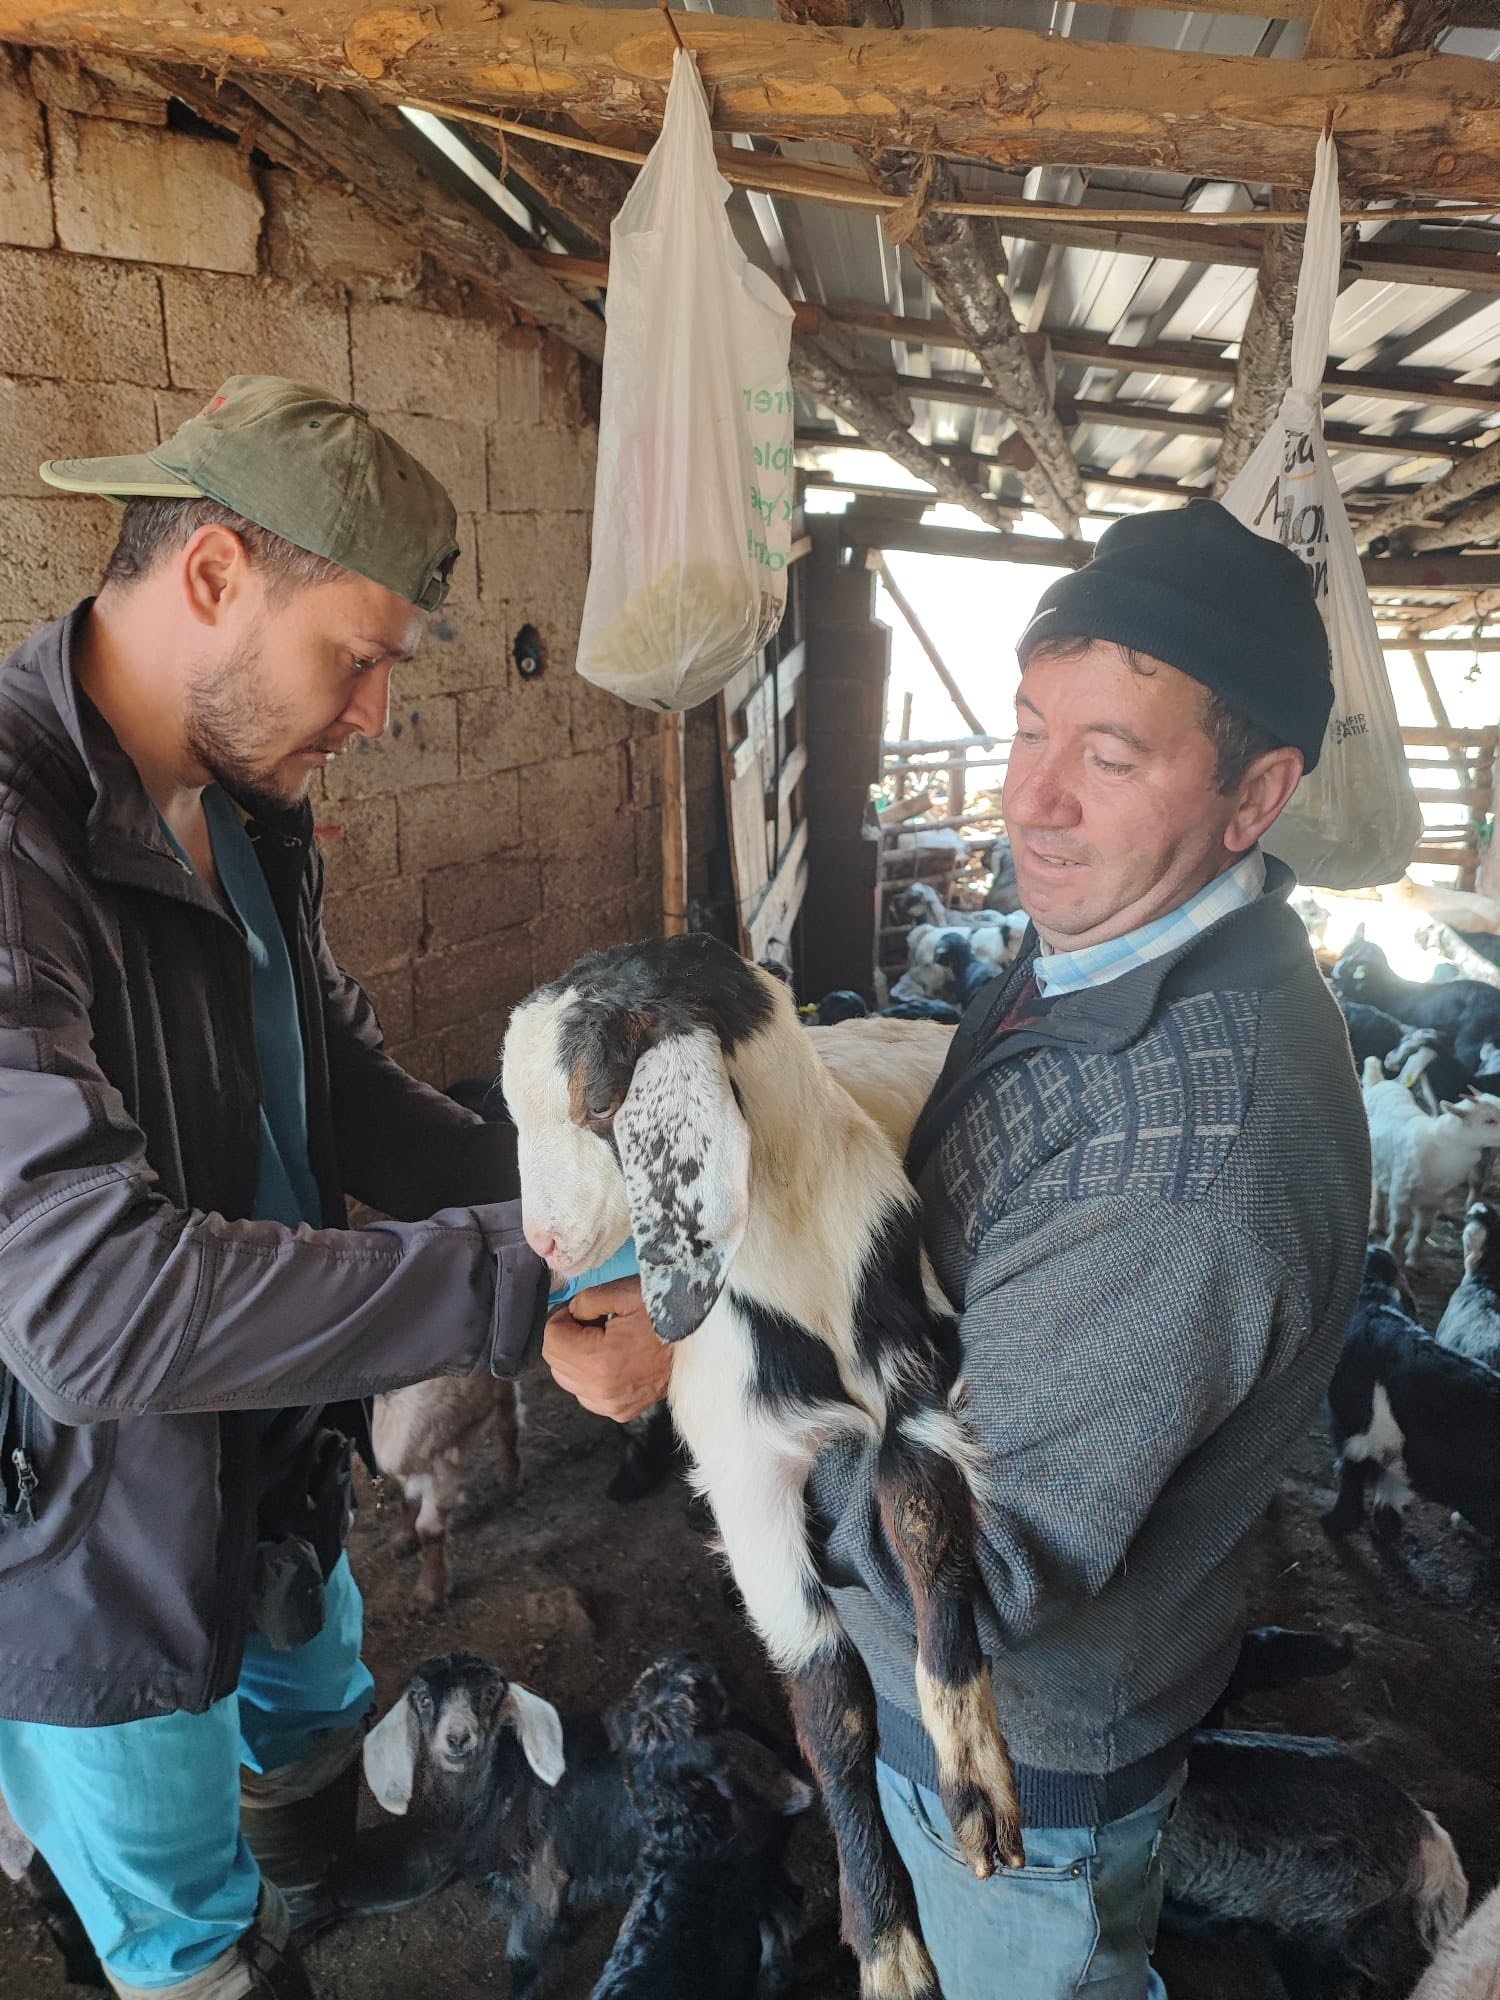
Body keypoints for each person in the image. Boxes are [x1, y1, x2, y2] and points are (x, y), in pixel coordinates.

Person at [542, 502, 1371, 1999]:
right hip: (956, 1712)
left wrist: (722, 1354)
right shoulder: (1088, 961)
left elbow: (990, 1564)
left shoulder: (1192, 1170)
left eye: (1110, 759)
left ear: (1257, 796)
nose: (1030, 800)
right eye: (1028, 728)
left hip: (1024, 1771)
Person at [0, 377, 551, 2000]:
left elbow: (340, 1084)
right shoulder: (16, 848)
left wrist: (582, 1202)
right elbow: (92, 1315)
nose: (377, 712)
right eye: (359, 656)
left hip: (271, 1438)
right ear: (219, 576)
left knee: (308, 1694)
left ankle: (313, 1873)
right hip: (91, 1524)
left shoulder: (241, 813)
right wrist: (510, 1275)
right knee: (174, 1902)